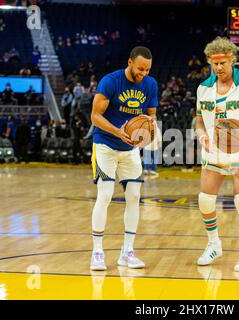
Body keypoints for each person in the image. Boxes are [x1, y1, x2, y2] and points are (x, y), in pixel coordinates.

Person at [195, 37, 239, 272]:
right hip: (214, 150)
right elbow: (198, 121)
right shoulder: (203, 88)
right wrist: (202, 135)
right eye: (215, 64)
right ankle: (213, 244)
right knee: (205, 199)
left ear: (232, 61)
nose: (219, 68)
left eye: (223, 63)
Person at [89, 46, 158, 271]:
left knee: (134, 196)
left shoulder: (151, 84)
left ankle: (127, 252)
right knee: (106, 194)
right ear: (130, 62)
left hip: (130, 150)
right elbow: (95, 116)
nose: (143, 73)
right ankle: (97, 252)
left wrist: (149, 129)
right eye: (140, 69)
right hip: (105, 145)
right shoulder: (110, 82)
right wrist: (118, 131)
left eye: (147, 69)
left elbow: (151, 115)